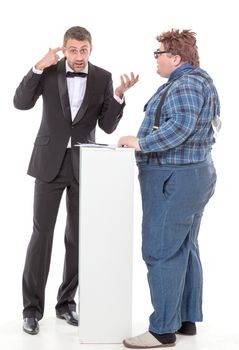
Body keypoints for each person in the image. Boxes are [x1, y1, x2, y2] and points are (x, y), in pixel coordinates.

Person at [14, 26, 139, 335]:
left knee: (78, 237)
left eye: (84, 50)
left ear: (90, 50)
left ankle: (66, 303)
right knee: (41, 235)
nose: (78, 56)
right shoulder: (49, 71)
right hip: (48, 165)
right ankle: (32, 309)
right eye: (73, 50)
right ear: (64, 49)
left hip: (86, 164)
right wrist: (36, 67)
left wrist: (119, 96)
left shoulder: (102, 77)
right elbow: (21, 103)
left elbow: (108, 127)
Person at [118, 29, 220, 348]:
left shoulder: (186, 84)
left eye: (158, 54)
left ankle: (162, 329)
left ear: (175, 58)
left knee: (161, 251)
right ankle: (184, 318)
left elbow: (181, 127)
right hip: (193, 175)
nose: (156, 60)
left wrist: (140, 142)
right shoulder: (200, 82)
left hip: (174, 178)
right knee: (184, 248)